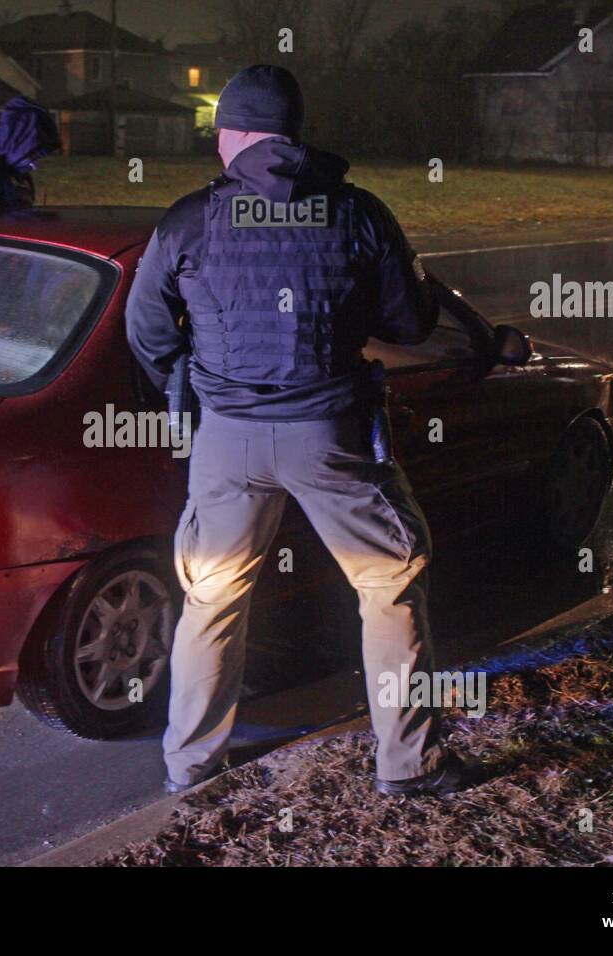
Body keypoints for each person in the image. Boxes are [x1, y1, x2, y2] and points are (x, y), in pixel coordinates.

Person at [125, 64, 469, 798]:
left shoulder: (189, 218)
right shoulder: (358, 212)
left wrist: (193, 382)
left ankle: (190, 767)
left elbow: (147, 329)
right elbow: (410, 322)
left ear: (237, 136)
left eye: (221, 134)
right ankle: (407, 763)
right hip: (329, 436)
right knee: (388, 585)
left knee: (211, 600)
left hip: (226, 440)